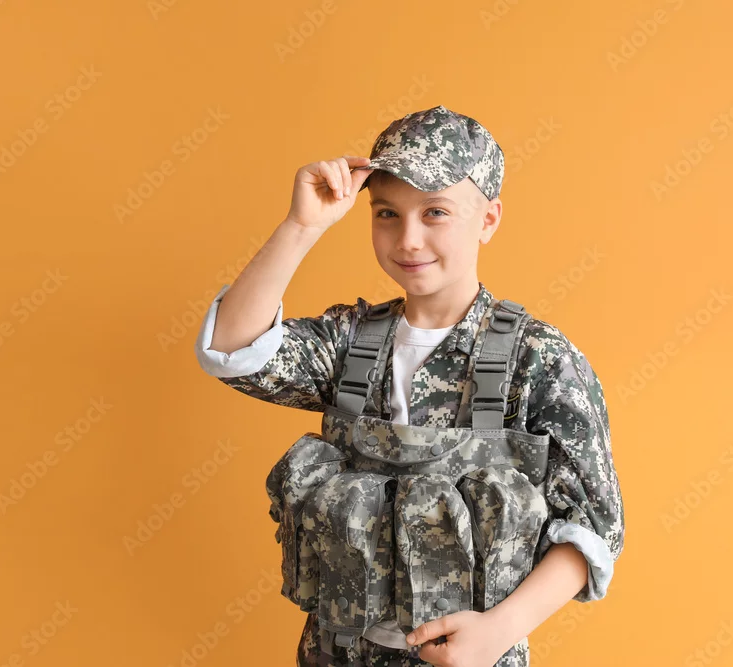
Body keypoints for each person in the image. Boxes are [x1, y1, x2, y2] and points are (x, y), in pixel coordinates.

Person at [194, 105, 624, 667]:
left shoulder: (538, 359)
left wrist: (498, 631)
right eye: (387, 214)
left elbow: (592, 527)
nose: (408, 239)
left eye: (435, 212)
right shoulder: (350, 340)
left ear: (489, 219)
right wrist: (302, 226)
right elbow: (232, 350)